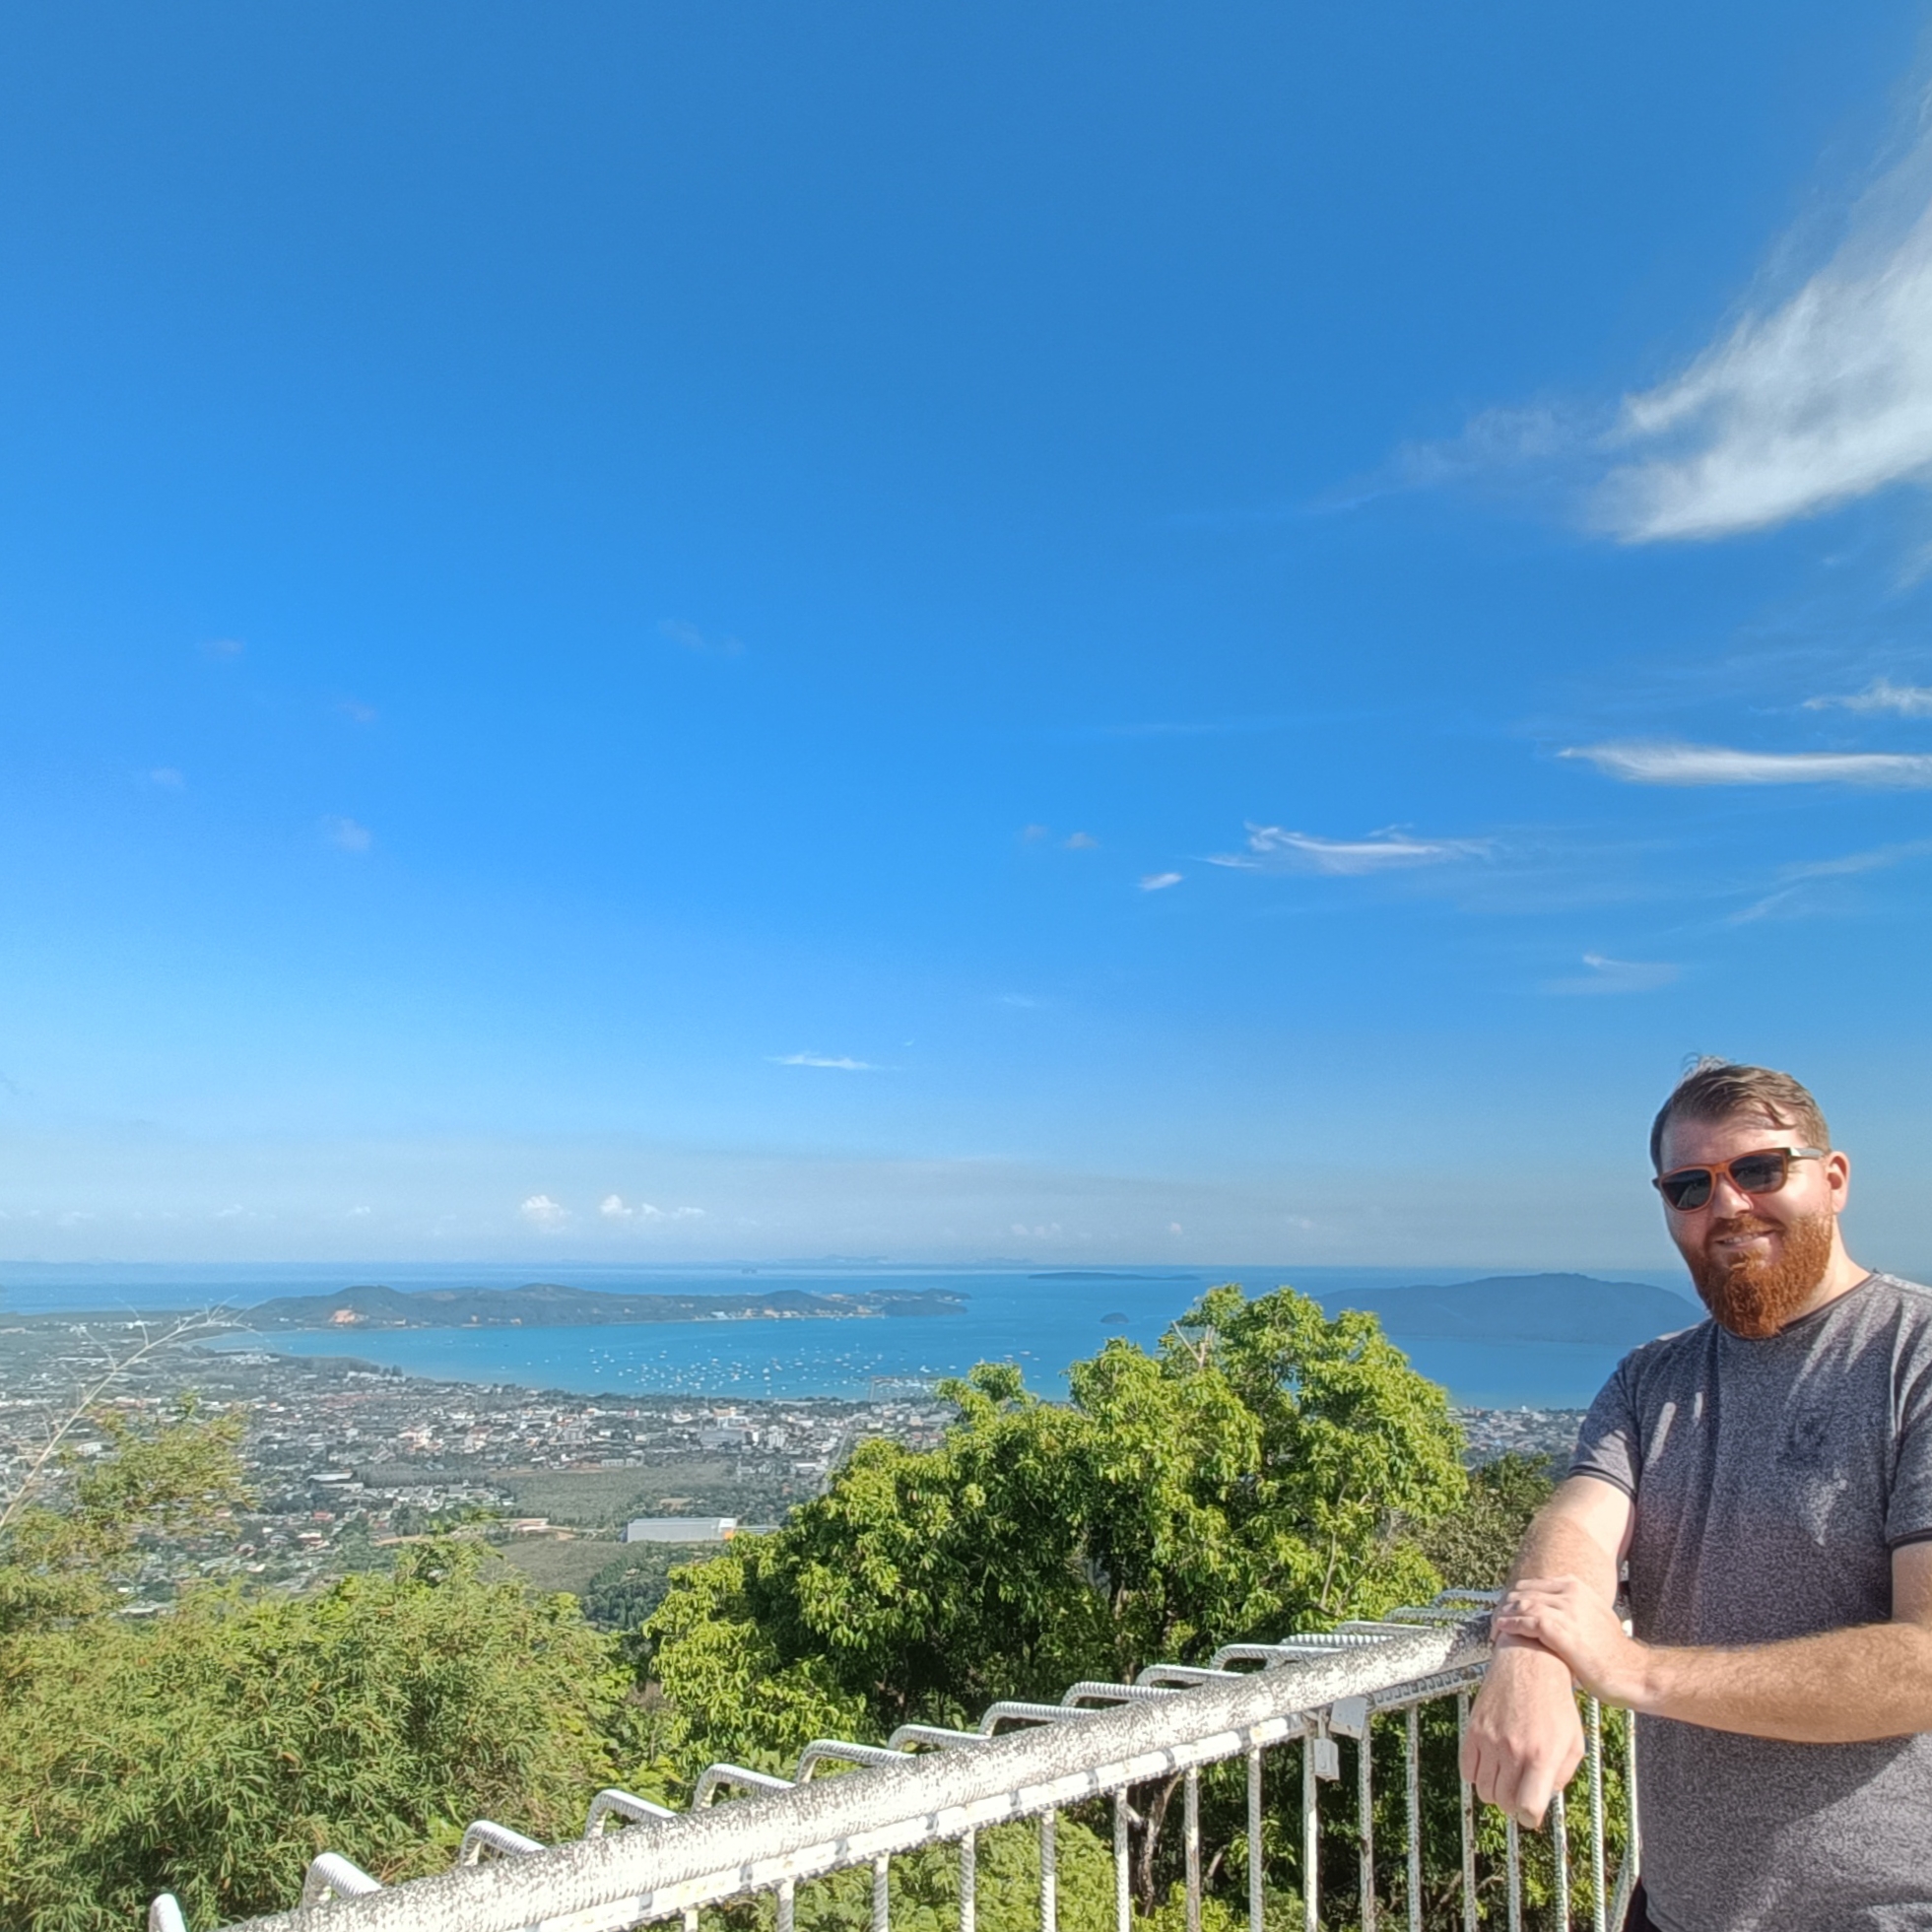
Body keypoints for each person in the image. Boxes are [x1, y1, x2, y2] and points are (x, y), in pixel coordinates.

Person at [1462, 1059, 1932, 1932]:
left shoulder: (1913, 1357)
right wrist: (1530, 1650)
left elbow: (1926, 1659)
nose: (1726, 1204)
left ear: (1831, 1180)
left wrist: (1630, 1668)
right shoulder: (1651, 1379)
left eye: (1759, 1169)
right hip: (1680, 1909)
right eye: (1689, 1185)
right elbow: (1576, 1520)